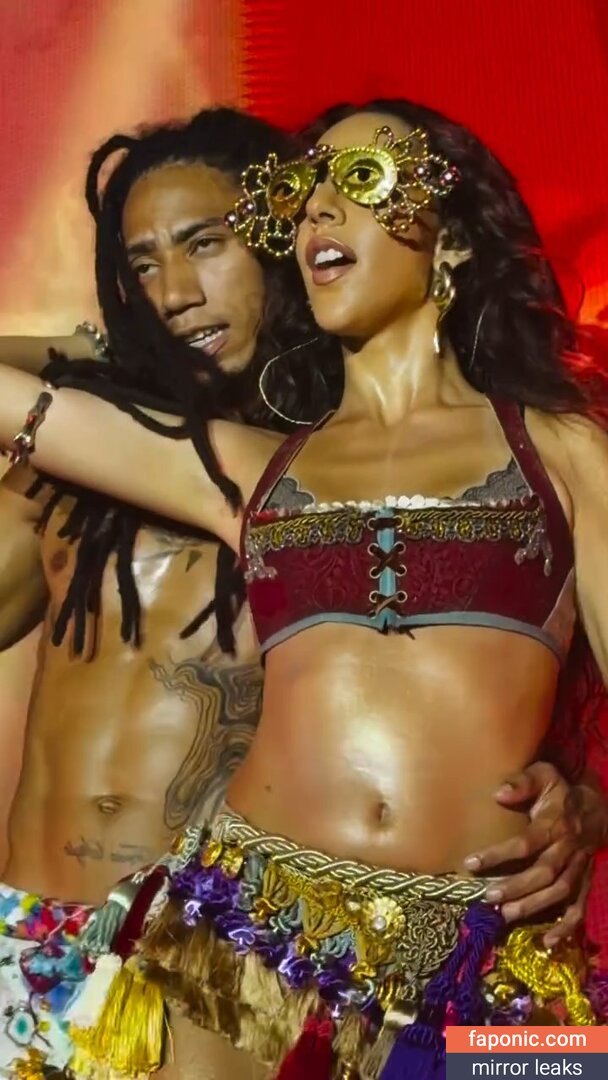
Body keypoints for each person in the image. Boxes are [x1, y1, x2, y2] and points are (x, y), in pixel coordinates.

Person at [0, 99, 606, 1078]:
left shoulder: (563, 450)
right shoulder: (250, 467)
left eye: (358, 181)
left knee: (570, 1067)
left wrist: (589, 809)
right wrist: (111, 347)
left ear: (451, 235)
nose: (317, 209)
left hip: (491, 953)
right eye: (300, 192)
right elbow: (20, 405)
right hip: (241, 936)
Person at [0, 106, 336, 1078]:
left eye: (205, 245)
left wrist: (576, 801)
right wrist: (82, 357)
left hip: (210, 959)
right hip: (27, 933)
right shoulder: (74, 465)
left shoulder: (338, 464)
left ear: (280, 243)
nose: (175, 293)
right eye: (142, 265)